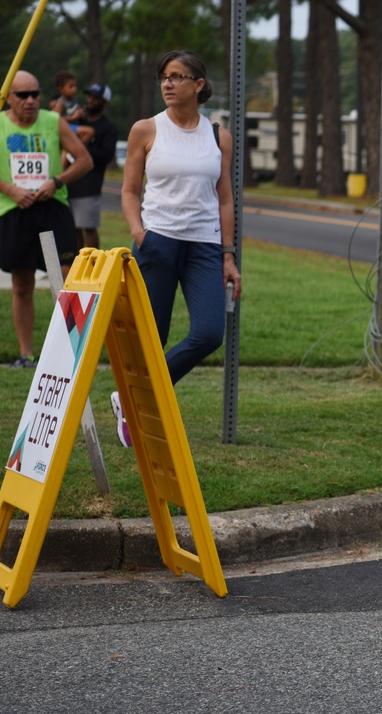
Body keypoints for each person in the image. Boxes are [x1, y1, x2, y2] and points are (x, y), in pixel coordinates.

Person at [119, 50, 241, 446]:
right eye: (163, 77)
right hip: (158, 241)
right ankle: (137, 412)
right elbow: (130, 190)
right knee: (153, 335)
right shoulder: (146, 129)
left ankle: (133, 397)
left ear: (198, 84)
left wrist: (228, 255)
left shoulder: (218, 135)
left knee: (208, 333)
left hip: (204, 245)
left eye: (177, 76)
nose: (168, 84)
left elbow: (224, 199)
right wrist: (141, 234)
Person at [0, 71, 93, 368]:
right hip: (14, 210)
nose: (31, 101)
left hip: (52, 208)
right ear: (10, 98)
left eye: (36, 94)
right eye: (23, 95)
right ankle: (26, 354)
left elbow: (85, 160)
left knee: (68, 280)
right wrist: (9, 189)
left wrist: (56, 181)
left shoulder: (52, 121)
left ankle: (72, 354)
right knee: (22, 284)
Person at [69, 82, 118, 250]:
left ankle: (92, 265)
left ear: (104, 103)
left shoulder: (108, 128)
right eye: (89, 96)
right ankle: (76, 264)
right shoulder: (78, 121)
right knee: (72, 228)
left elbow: (106, 156)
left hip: (89, 185)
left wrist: (82, 148)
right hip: (69, 181)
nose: (90, 100)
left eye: (95, 98)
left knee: (88, 227)